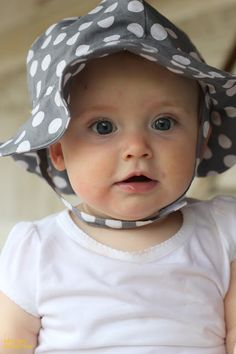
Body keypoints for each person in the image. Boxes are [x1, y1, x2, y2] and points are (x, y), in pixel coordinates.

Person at [0, 0, 236, 353]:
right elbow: (12, 342)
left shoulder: (221, 232)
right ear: (58, 150)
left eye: (163, 123)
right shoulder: (37, 249)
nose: (136, 148)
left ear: (200, 140)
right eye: (103, 126)